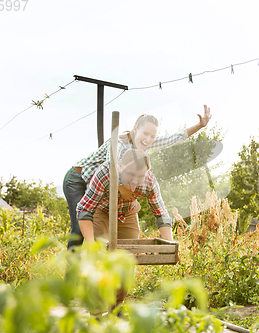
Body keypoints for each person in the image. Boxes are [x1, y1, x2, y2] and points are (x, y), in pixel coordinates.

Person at [63, 106, 211, 248]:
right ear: (135, 129)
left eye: (152, 136)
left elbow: (173, 138)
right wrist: (129, 191)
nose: (149, 139)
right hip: (78, 177)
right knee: (79, 224)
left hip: (98, 184)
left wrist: (199, 126)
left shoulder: (141, 149)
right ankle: (71, 265)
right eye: (145, 133)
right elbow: (111, 165)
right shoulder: (120, 143)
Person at [76, 149, 168, 308]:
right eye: (130, 174)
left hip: (128, 212)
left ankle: (115, 307)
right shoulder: (105, 174)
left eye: (140, 176)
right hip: (102, 210)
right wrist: (91, 245)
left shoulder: (149, 181)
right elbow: (84, 209)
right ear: (120, 166)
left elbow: (161, 214)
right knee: (101, 256)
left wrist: (169, 245)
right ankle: (96, 307)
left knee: (127, 259)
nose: (135, 181)